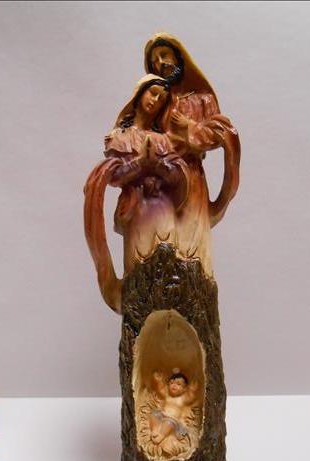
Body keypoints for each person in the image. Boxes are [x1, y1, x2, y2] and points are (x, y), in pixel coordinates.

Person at [84, 75, 190, 313]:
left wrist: (160, 167)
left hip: (163, 210)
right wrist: (141, 163)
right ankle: (140, 317)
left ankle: (166, 319)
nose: (155, 101)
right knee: (139, 265)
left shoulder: (162, 140)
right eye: (153, 93)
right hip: (137, 211)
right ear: (140, 93)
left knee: (166, 262)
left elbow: (178, 175)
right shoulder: (120, 136)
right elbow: (114, 175)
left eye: (162, 99)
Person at [143, 33, 241, 275]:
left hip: (191, 178)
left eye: (164, 55)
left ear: (179, 57)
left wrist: (189, 127)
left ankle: (193, 288)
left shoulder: (202, 99)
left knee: (191, 246)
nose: (160, 63)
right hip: (159, 183)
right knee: (159, 245)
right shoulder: (157, 102)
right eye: (154, 61)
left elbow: (220, 132)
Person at [149, 369, 198, 448]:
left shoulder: (183, 399)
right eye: (171, 383)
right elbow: (161, 390)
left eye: (178, 384)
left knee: (168, 423)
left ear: (184, 389)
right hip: (162, 415)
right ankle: (155, 429)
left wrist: (193, 389)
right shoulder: (167, 395)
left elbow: (191, 397)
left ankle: (161, 436)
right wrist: (159, 380)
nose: (174, 385)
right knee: (153, 414)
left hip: (173, 421)